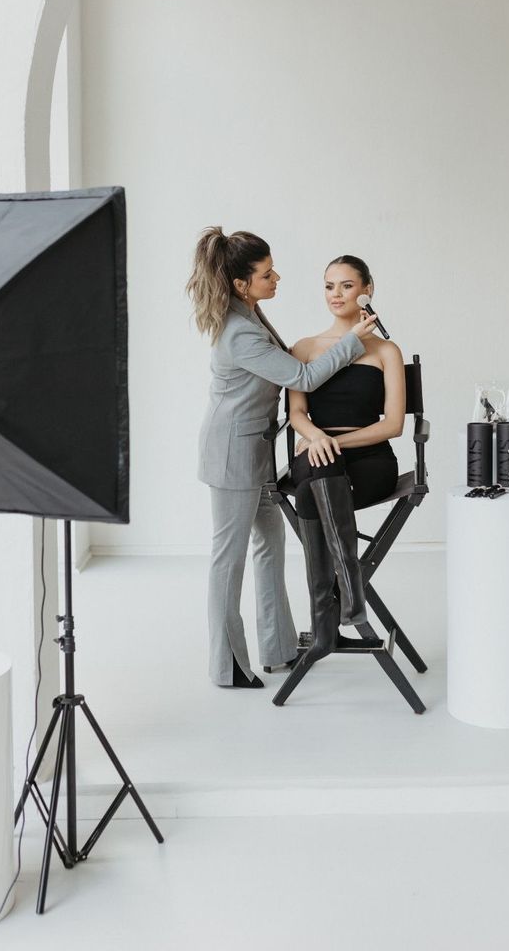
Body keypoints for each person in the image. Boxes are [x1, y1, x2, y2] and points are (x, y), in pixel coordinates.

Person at [186, 229, 378, 688]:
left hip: (256, 450)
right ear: (240, 284)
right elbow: (304, 376)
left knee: (270, 546)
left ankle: (277, 647)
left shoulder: (249, 311)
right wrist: (352, 341)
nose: (277, 278)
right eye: (266, 273)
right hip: (231, 454)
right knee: (227, 558)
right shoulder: (238, 333)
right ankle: (227, 665)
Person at [288, 255, 406, 660]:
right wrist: (317, 436)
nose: (336, 294)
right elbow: (296, 415)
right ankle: (351, 598)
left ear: (367, 289)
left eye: (346, 285)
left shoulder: (386, 351)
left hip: (370, 459)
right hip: (317, 450)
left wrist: (332, 442)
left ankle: (324, 625)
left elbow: (393, 425)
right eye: (328, 286)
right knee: (319, 471)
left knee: (310, 490)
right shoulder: (303, 348)